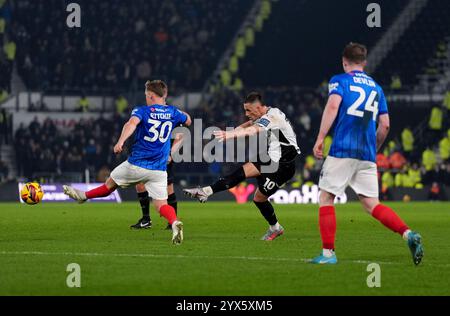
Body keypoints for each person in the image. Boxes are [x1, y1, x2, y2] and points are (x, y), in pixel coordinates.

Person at [312, 42, 423, 265]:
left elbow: (333, 107)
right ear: (364, 63)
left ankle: (328, 255)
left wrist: (321, 138)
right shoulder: (377, 88)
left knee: (326, 197)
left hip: (343, 148)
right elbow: (385, 126)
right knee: (372, 203)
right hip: (367, 153)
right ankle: (408, 233)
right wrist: (374, 150)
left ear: (344, 61)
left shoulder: (339, 80)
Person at [63, 80, 192, 244]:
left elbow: (131, 124)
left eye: (146, 95)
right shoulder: (173, 112)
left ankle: (83, 196)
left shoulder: (142, 111)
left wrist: (120, 141)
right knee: (161, 205)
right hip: (159, 169)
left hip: (136, 165)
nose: (146, 98)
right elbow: (188, 120)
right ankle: (174, 222)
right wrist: (172, 111)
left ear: (151, 95)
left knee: (109, 185)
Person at [184, 92, 300, 241]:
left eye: (249, 110)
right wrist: (231, 132)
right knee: (240, 173)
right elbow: (249, 124)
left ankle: (276, 228)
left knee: (258, 199)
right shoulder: (266, 113)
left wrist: (230, 136)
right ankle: (205, 192)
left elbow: (253, 130)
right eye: (245, 110)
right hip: (271, 158)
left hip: (283, 166)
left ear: (258, 107)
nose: (246, 114)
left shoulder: (272, 117)